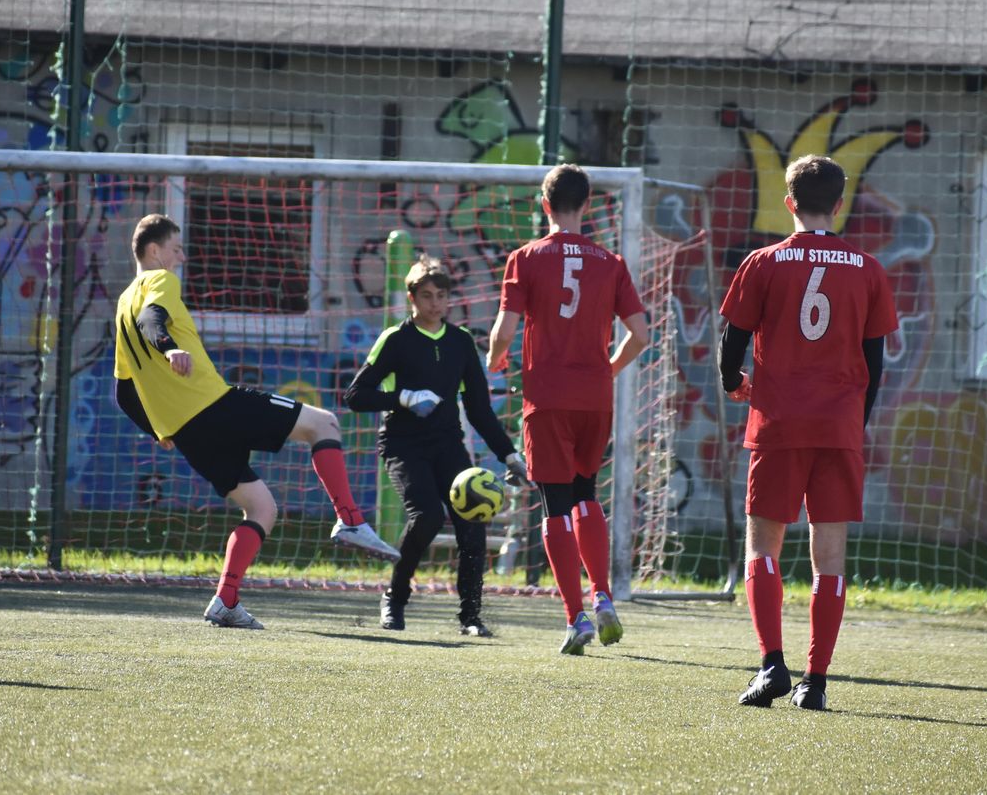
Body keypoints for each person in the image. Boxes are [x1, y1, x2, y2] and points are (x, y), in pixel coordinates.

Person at [112, 213, 400, 630]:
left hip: (188, 432)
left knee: (262, 508)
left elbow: (123, 392)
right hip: (215, 405)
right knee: (324, 424)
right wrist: (170, 348)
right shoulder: (160, 281)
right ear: (154, 251)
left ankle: (225, 601)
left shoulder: (122, 303)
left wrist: (158, 430)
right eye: (176, 248)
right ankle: (351, 519)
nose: (182, 257)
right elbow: (151, 319)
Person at [719, 154, 897, 712]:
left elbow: (732, 342)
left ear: (789, 203)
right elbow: (876, 363)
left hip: (778, 422)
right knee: (830, 556)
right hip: (838, 426)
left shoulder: (764, 261)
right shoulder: (868, 268)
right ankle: (815, 682)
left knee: (762, 545)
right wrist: (853, 425)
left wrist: (733, 383)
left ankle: (772, 664)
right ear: (840, 204)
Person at [487, 164, 650, 655]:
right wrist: (608, 370)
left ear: (544, 204)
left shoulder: (525, 258)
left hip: (547, 397)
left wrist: (494, 360)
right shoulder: (611, 262)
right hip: (594, 398)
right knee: (586, 493)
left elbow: (505, 330)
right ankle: (603, 595)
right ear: (588, 205)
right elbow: (641, 334)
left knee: (554, 504)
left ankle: (576, 617)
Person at [343, 255, 528, 637]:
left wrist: (509, 455)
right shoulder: (396, 339)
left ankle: (470, 617)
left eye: (441, 296)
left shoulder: (460, 342)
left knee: (472, 522)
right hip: (403, 446)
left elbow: (479, 409)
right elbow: (356, 396)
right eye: (426, 296)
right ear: (412, 297)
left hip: (448, 445)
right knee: (426, 516)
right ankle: (394, 598)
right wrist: (404, 398)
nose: (435, 303)